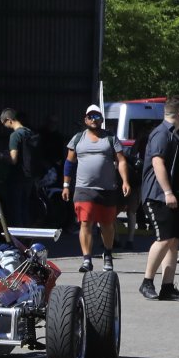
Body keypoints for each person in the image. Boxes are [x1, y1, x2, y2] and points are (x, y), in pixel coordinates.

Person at [135, 97, 179, 302]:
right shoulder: (161, 133)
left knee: (174, 241)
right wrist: (168, 192)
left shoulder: (176, 134)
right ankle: (147, 282)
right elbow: (157, 162)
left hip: (174, 196)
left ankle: (168, 287)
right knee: (164, 239)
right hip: (159, 196)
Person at [61, 103, 131, 272]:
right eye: (90, 116)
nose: (93, 119)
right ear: (85, 120)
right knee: (85, 223)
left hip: (107, 189)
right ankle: (87, 260)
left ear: (102, 119)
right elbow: (69, 163)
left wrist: (125, 181)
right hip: (83, 189)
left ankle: (108, 254)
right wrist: (66, 185)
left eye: (97, 116)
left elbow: (121, 161)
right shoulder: (78, 139)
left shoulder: (110, 138)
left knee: (107, 224)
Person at [0, 108, 40, 225]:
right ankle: (26, 234)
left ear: (9, 120)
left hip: (17, 177)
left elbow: (13, 159)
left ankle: (17, 235)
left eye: (4, 123)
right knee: (25, 208)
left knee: (15, 209)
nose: (4, 126)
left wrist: (1, 156)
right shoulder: (30, 132)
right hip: (29, 176)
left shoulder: (15, 135)